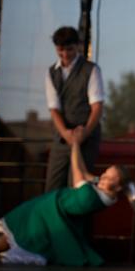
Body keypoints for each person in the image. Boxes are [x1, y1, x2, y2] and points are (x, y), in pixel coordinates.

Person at [0, 127, 133, 266]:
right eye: (105, 173)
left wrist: (75, 144)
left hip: (53, 213)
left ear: (118, 187)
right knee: (22, 227)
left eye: (109, 178)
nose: (103, 177)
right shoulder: (104, 188)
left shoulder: (90, 197)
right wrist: (76, 144)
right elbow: (85, 173)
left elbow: (77, 173)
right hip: (50, 208)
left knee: (26, 228)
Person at [44, 26, 105, 192]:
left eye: (69, 49)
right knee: (53, 185)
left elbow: (97, 107)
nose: (65, 54)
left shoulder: (91, 70)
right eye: (60, 50)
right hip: (62, 138)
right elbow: (54, 109)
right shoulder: (51, 73)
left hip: (86, 138)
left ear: (78, 46)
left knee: (78, 186)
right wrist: (65, 133)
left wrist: (83, 134)